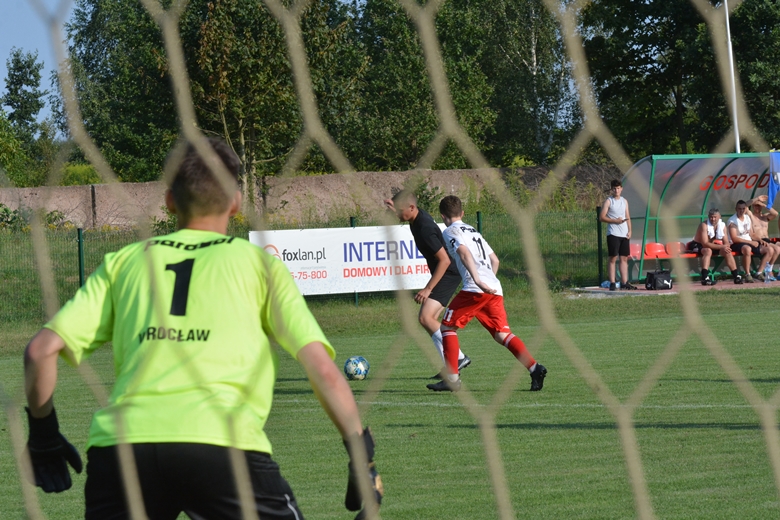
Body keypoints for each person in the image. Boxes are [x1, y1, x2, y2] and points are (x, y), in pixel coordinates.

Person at [22, 138, 382, 519]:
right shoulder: (259, 266)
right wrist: (362, 455)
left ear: (169, 201)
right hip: (223, 446)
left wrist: (44, 436)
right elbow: (322, 369)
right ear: (236, 202)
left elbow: (40, 351)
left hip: (123, 451)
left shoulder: (124, 262)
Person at [426, 195, 547, 393]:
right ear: (462, 213)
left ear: (442, 216)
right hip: (494, 289)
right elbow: (495, 260)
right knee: (502, 335)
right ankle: (534, 368)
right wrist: (487, 282)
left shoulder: (450, 231)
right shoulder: (473, 230)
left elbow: (464, 253)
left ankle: (452, 379)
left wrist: (478, 281)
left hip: (476, 289)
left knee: (447, 327)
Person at [384, 190, 471, 378]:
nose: (397, 214)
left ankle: (458, 359)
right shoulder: (414, 217)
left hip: (448, 273)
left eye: (399, 211)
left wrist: (428, 288)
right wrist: (394, 205)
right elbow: (406, 202)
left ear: (412, 208)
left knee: (425, 318)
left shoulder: (423, 227)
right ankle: (452, 364)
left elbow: (445, 260)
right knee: (428, 320)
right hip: (447, 272)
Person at [599, 179, 637, 291]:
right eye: (614, 188)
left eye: (618, 188)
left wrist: (630, 231)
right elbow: (602, 217)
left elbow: (628, 216)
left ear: (621, 189)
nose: (616, 190)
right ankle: (612, 282)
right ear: (612, 189)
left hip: (624, 234)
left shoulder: (624, 201)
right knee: (613, 258)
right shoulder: (609, 201)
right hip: (613, 233)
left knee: (624, 258)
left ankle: (624, 282)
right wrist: (615, 221)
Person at [689, 208, 742, 285]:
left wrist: (726, 247)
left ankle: (736, 276)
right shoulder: (704, 225)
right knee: (708, 251)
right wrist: (722, 247)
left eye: (715, 217)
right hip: (697, 245)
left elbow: (726, 241)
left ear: (719, 216)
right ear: (708, 217)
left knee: (727, 251)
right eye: (711, 217)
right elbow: (705, 243)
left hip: (711, 245)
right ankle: (704, 277)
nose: (713, 219)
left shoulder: (722, 226)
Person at [727, 199, 773, 283]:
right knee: (747, 249)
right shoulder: (732, 221)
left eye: (743, 208)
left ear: (745, 209)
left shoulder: (747, 217)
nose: (741, 211)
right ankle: (747, 274)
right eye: (739, 209)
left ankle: (759, 273)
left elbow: (752, 234)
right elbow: (734, 238)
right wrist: (751, 242)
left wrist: (760, 240)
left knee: (770, 249)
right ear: (736, 209)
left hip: (748, 242)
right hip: (736, 244)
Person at [747, 195, 780, 280]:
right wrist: (756, 200)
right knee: (774, 249)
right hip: (758, 240)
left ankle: (769, 269)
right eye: (756, 205)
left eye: (759, 206)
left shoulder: (765, 217)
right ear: (753, 206)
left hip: (767, 240)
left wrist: (764, 205)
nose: (757, 207)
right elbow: (745, 205)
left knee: (778, 248)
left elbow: (775, 213)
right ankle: (762, 271)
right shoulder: (751, 216)